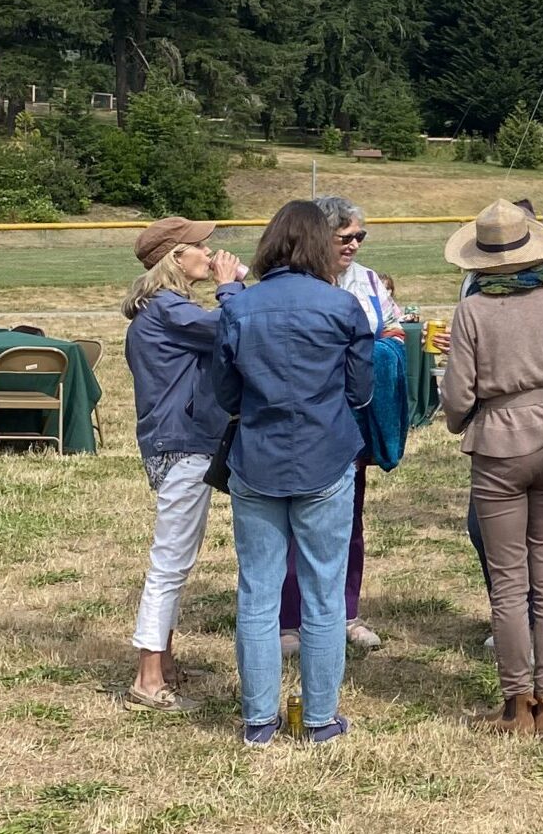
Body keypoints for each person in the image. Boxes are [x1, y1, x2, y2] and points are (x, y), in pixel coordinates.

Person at [211, 201, 374, 745]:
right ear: (319, 245)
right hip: (325, 456)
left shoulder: (240, 306)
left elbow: (225, 393)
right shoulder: (342, 305)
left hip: (257, 458)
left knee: (257, 592)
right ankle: (321, 718)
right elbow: (361, 391)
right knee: (324, 593)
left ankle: (259, 720)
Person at [440, 200, 543, 737]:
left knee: (508, 583)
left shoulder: (473, 310)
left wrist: (459, 421)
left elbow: (457, 394)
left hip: (498, 445)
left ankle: (515, 706)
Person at [122, 217, 248, 712]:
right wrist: (231, 286)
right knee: (171, 562)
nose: (210, 253)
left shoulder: (159, 309)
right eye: (202, 246)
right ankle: (148, 679)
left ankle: (166, 665)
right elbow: (233, 328)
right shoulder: (170, 310)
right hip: (182, 443)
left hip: (175, 441)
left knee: (176, 558)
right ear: (176, 257)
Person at [276, 196, 402, 656]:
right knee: (295, 523)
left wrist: (372, 353)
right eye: (344, 236)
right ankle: (290, 621)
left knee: (349, 518)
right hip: (306, 421)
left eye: (359, 236)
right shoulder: (297, 283)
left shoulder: (368, 281)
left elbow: (394, 331)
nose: (353, 245)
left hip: (354, 421)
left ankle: (347, 614)